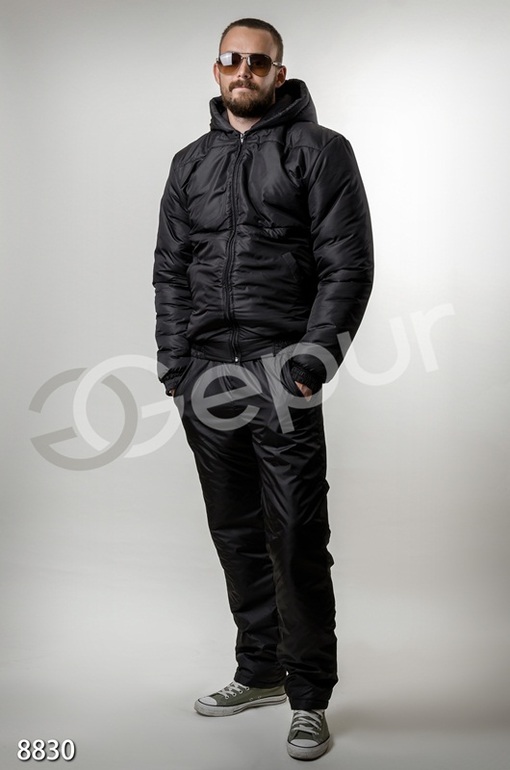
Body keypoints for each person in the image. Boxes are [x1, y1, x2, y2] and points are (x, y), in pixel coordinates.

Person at [153, 17, 373, 761]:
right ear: (216, 69)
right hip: (206, 380)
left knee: (296, 535)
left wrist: (309, 365)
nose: (243, 70)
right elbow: (170, 271)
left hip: (283, 374)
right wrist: (176, 370)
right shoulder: (189, 163)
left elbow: (348, 266)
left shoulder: (321, 151)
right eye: (231, 59)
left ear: (280, 73)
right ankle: (258, 672)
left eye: (258, 61)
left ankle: (308, 697)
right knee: (236, 532)